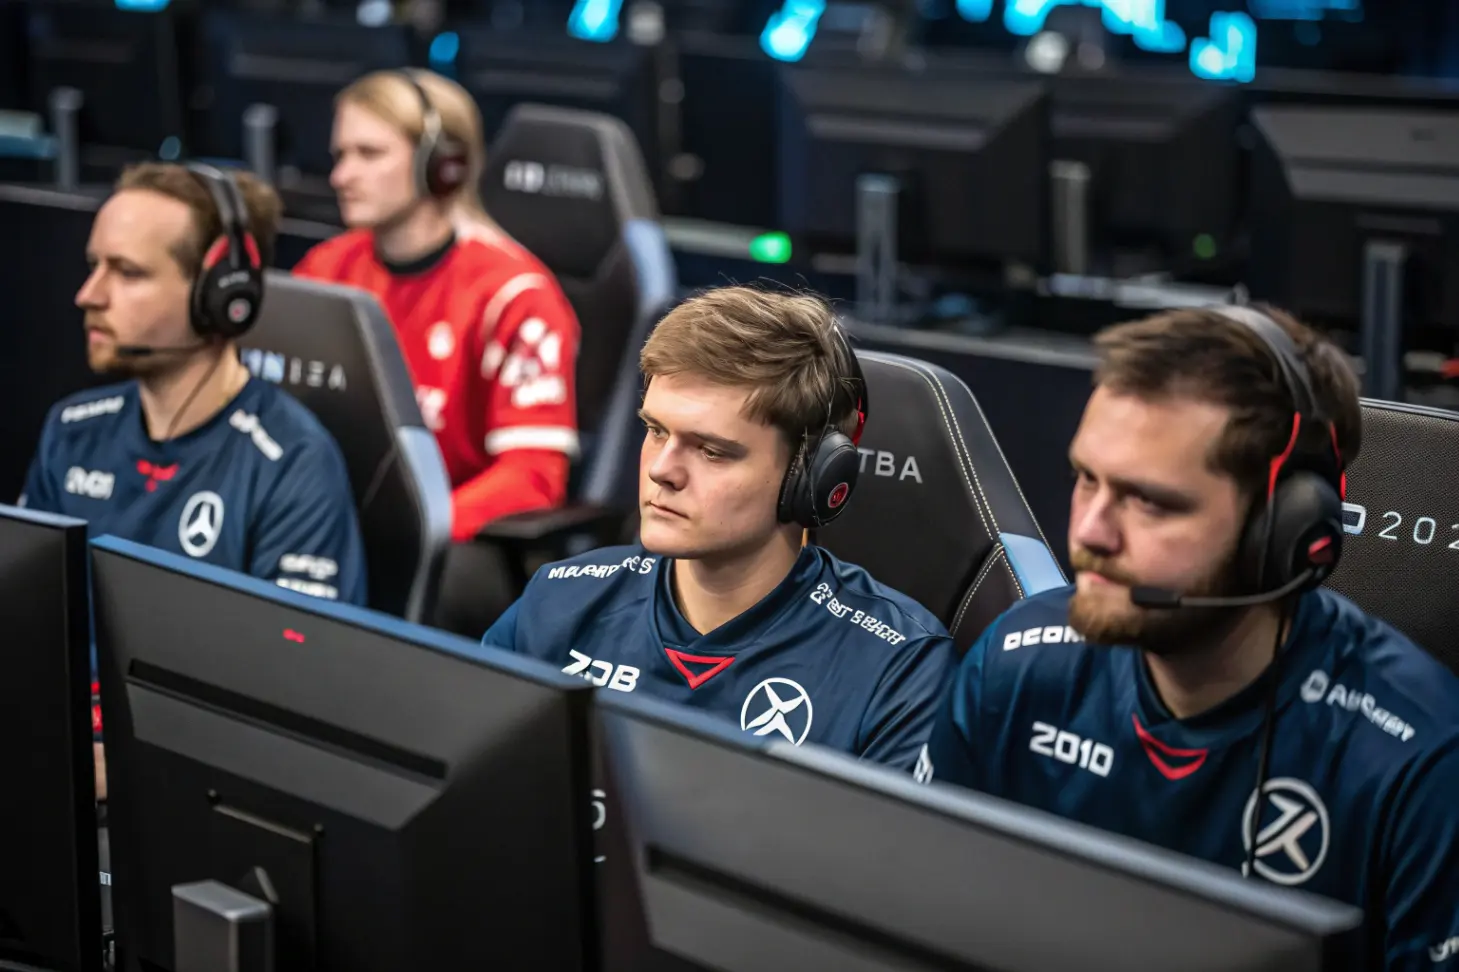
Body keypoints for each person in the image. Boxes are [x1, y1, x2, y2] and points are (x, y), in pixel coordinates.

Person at [924, 304, 1459, 970]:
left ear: (1283, 529)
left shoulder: (1420, 763)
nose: (1089, 532)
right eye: (1086, 479)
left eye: (1149, 501)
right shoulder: (1016, 666)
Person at [472, 286, 955, 769]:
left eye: (711, 451)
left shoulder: (896, 668)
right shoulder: (557, 605)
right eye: (656, 430)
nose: (662, 470)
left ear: (808, 476)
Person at [19, 162, 368, 796]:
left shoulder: (292, 464)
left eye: (128, 273)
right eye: (94, 266)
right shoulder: (71, 430)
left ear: (220, 294)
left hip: (182, 792)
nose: (89, 294)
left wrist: (126, 769)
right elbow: (24, 625)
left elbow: (299, 703)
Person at [292, 68, 580, 546]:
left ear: (442, 165)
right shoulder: (325, 269)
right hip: (330, 519)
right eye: (340, 155)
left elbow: (533, 474)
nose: (341, 176)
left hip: (448, 541)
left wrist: (415, 528)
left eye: (369, 154)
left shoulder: (514, 294)